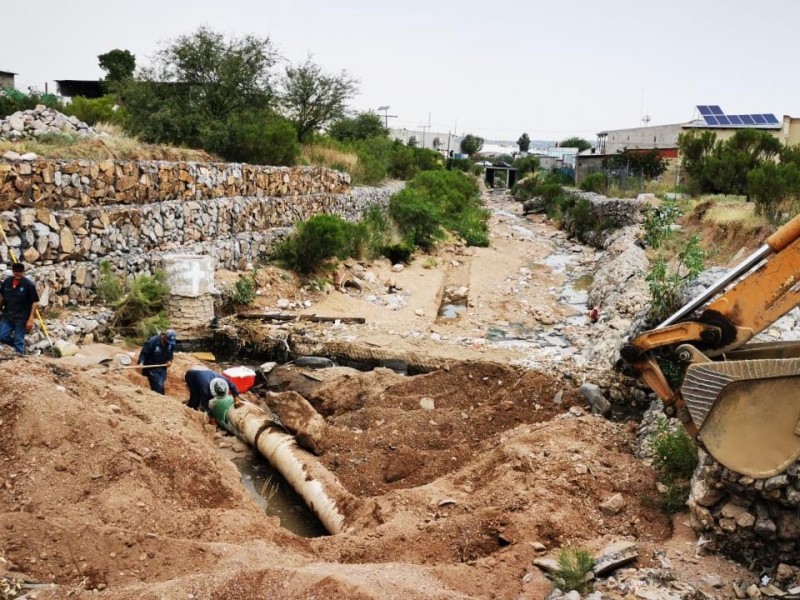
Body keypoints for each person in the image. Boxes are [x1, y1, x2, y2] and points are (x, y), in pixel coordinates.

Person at [0, 263, 40, 355]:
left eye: (20, 272)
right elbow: (3, 297)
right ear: (13, 271)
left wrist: (31, 319)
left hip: (21, 318)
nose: (17, 273)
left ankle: (20, 357)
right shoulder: (7, 282)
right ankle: (20, 346)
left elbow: (34, 302)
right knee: (2, 336)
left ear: (23, 272)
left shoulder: (28, 285)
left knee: (18, 339)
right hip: (8, 316)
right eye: (16, 271)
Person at [137, 329, 177, 394]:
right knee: (158, 387)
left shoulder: (171, 344)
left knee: (161, 382)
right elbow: (143, 353)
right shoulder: (152, 341)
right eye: (168, 340)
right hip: (151, 368)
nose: (169, 342)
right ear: (164, 336)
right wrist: (141, 362)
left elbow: (170, 354)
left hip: (162, 367)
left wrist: (169, 360)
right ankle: (160, 399)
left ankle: (157, 396)